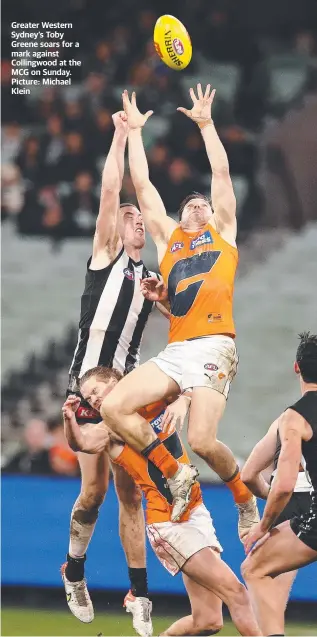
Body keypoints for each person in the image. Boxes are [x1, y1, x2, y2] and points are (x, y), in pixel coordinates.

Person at [99, 83, 259, 541]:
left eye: (204, 202)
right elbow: (143, 185)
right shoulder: (170, 239)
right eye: (192, 202)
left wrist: (207, 125)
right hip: (177, 348)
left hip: (214, 345)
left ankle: (243, 497)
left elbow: (222, 175)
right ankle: (175, 474)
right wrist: (132, 133)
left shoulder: (223, 233)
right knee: (114, 408)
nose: (199, 202)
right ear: (180, 213)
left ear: (213, 213)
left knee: (204, 441)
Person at [62, 110, 196, 634]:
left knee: (129, 493)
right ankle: (74, 570)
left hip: (126, 392)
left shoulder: (153, 278)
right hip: (85, 389)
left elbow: (179, 330)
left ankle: (139, 595)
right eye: (129, 216)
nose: (137, 219)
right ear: (116, 228)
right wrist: (120, 133)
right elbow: (111, 187)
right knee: (92, 494)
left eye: (141, 216)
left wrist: (164, 306)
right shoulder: (105, 259)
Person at [63, 366, 262, 637]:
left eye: (95, 391)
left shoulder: (151, 399)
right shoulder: (110, 429)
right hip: (169, 523)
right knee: (237, 594)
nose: (93, 400)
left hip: (196, 511)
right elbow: (82, 443)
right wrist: (69, 421)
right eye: (88, 398)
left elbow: (188, 381)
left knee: (207, 621)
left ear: (116, 382)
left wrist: (183, 399)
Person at [242, 332, 317, 636]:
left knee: (255, 569)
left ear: (296, 367)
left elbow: (282, 485)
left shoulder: (294, 418)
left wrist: (264, 525)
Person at [240, 412, 312, 634]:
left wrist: (272, 498)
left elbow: (249, 474)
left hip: (291, 501)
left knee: (267, 588)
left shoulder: (288, 419)